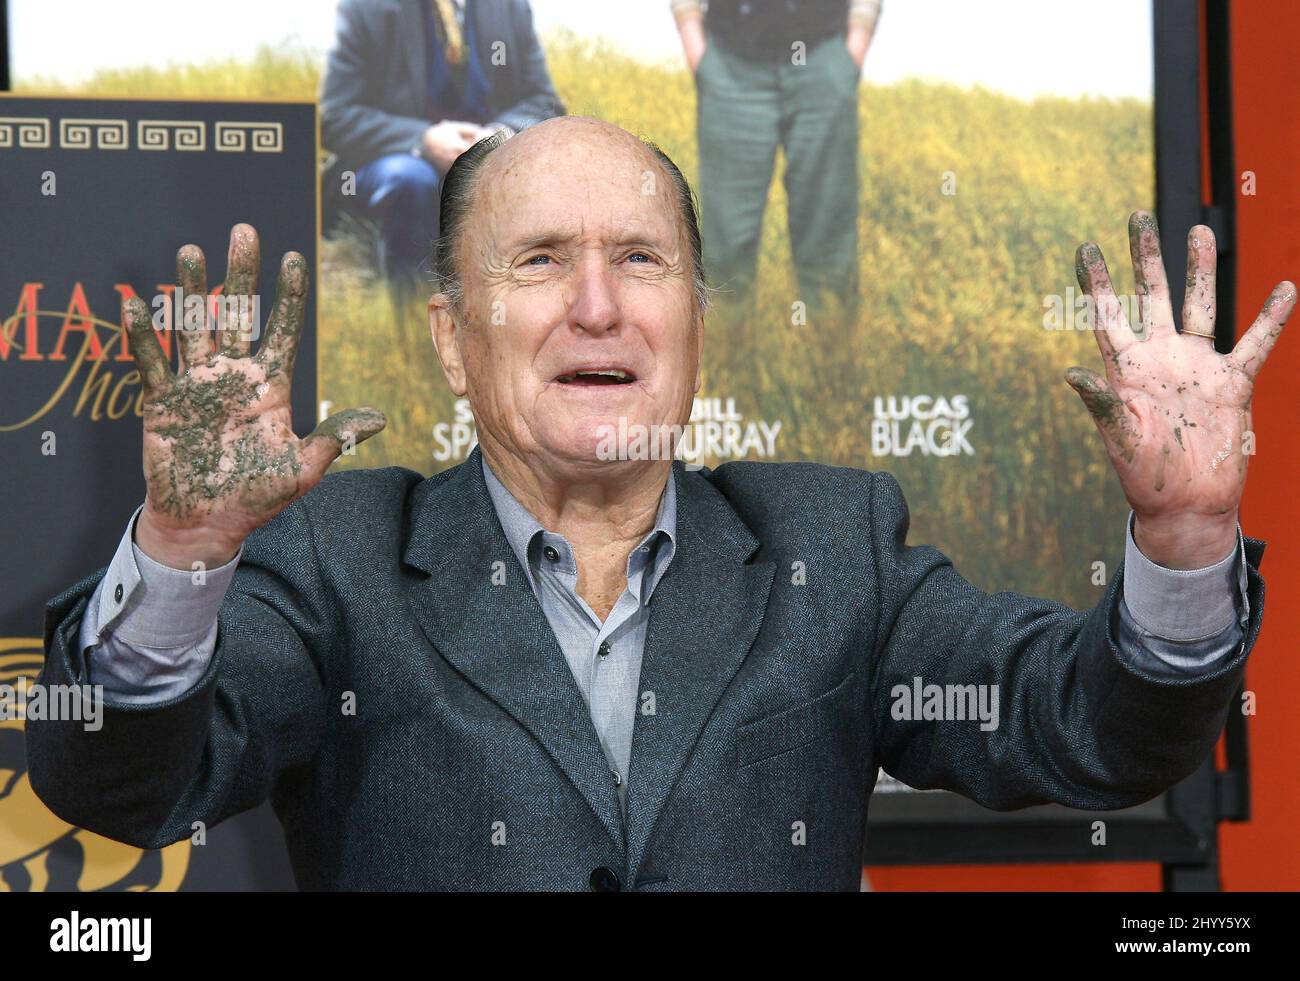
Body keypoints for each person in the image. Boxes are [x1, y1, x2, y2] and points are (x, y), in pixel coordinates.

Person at [27, 117, 1287, 891]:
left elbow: (1094, 733)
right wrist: (185, 550)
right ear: (453, 340)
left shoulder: (832, 544)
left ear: (693, 320)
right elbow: (122, 787)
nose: (595, 305)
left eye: (640, 260)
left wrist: (1181, 542)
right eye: (537, 262)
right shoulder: (338, 558)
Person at [321, 0, 563, 284]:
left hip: (492, 159)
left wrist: (500, 135)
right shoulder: (365, 7)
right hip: (396, 159)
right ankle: (414, 313)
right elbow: (336, 116)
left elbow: (545, 103)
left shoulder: (510, 6)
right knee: (410, 178)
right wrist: (422, 139)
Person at [674, 0, 880, 319]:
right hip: (731, 65)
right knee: (726, 246)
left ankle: (832, 357)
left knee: (828, 238)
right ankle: (727, 360)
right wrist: (692, 37)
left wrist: (856, 42)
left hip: (823, 58)